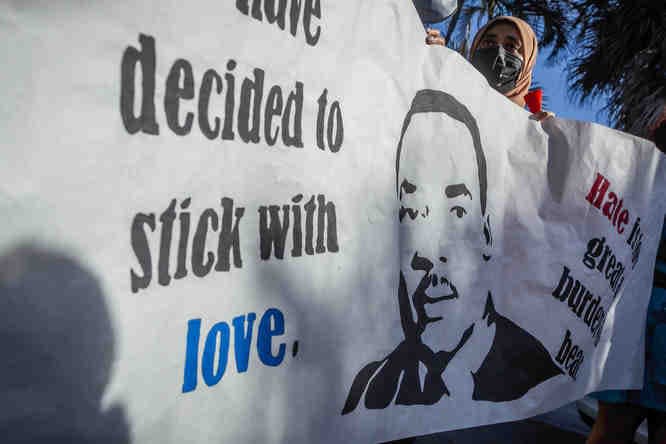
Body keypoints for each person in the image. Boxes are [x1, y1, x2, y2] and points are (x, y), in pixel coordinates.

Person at [341, 89, 562, 415]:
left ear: (487, 233)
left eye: (456, 211)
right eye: (412, 212)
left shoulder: (539, 388)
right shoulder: (369, 389)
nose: (427, 252)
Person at [586, 113, 666, 444]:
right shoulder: (641, 176)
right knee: (612, 429)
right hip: (637, 320)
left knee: (613, 430)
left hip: (636, 320)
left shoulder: (641, 176)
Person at [426, 16, 552, 121]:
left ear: (527, 65)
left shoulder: (529, 132)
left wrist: (548, 137)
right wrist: (430, 60)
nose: (498, 51)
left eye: (510, 46)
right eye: (489, 42)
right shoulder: (444, 84)